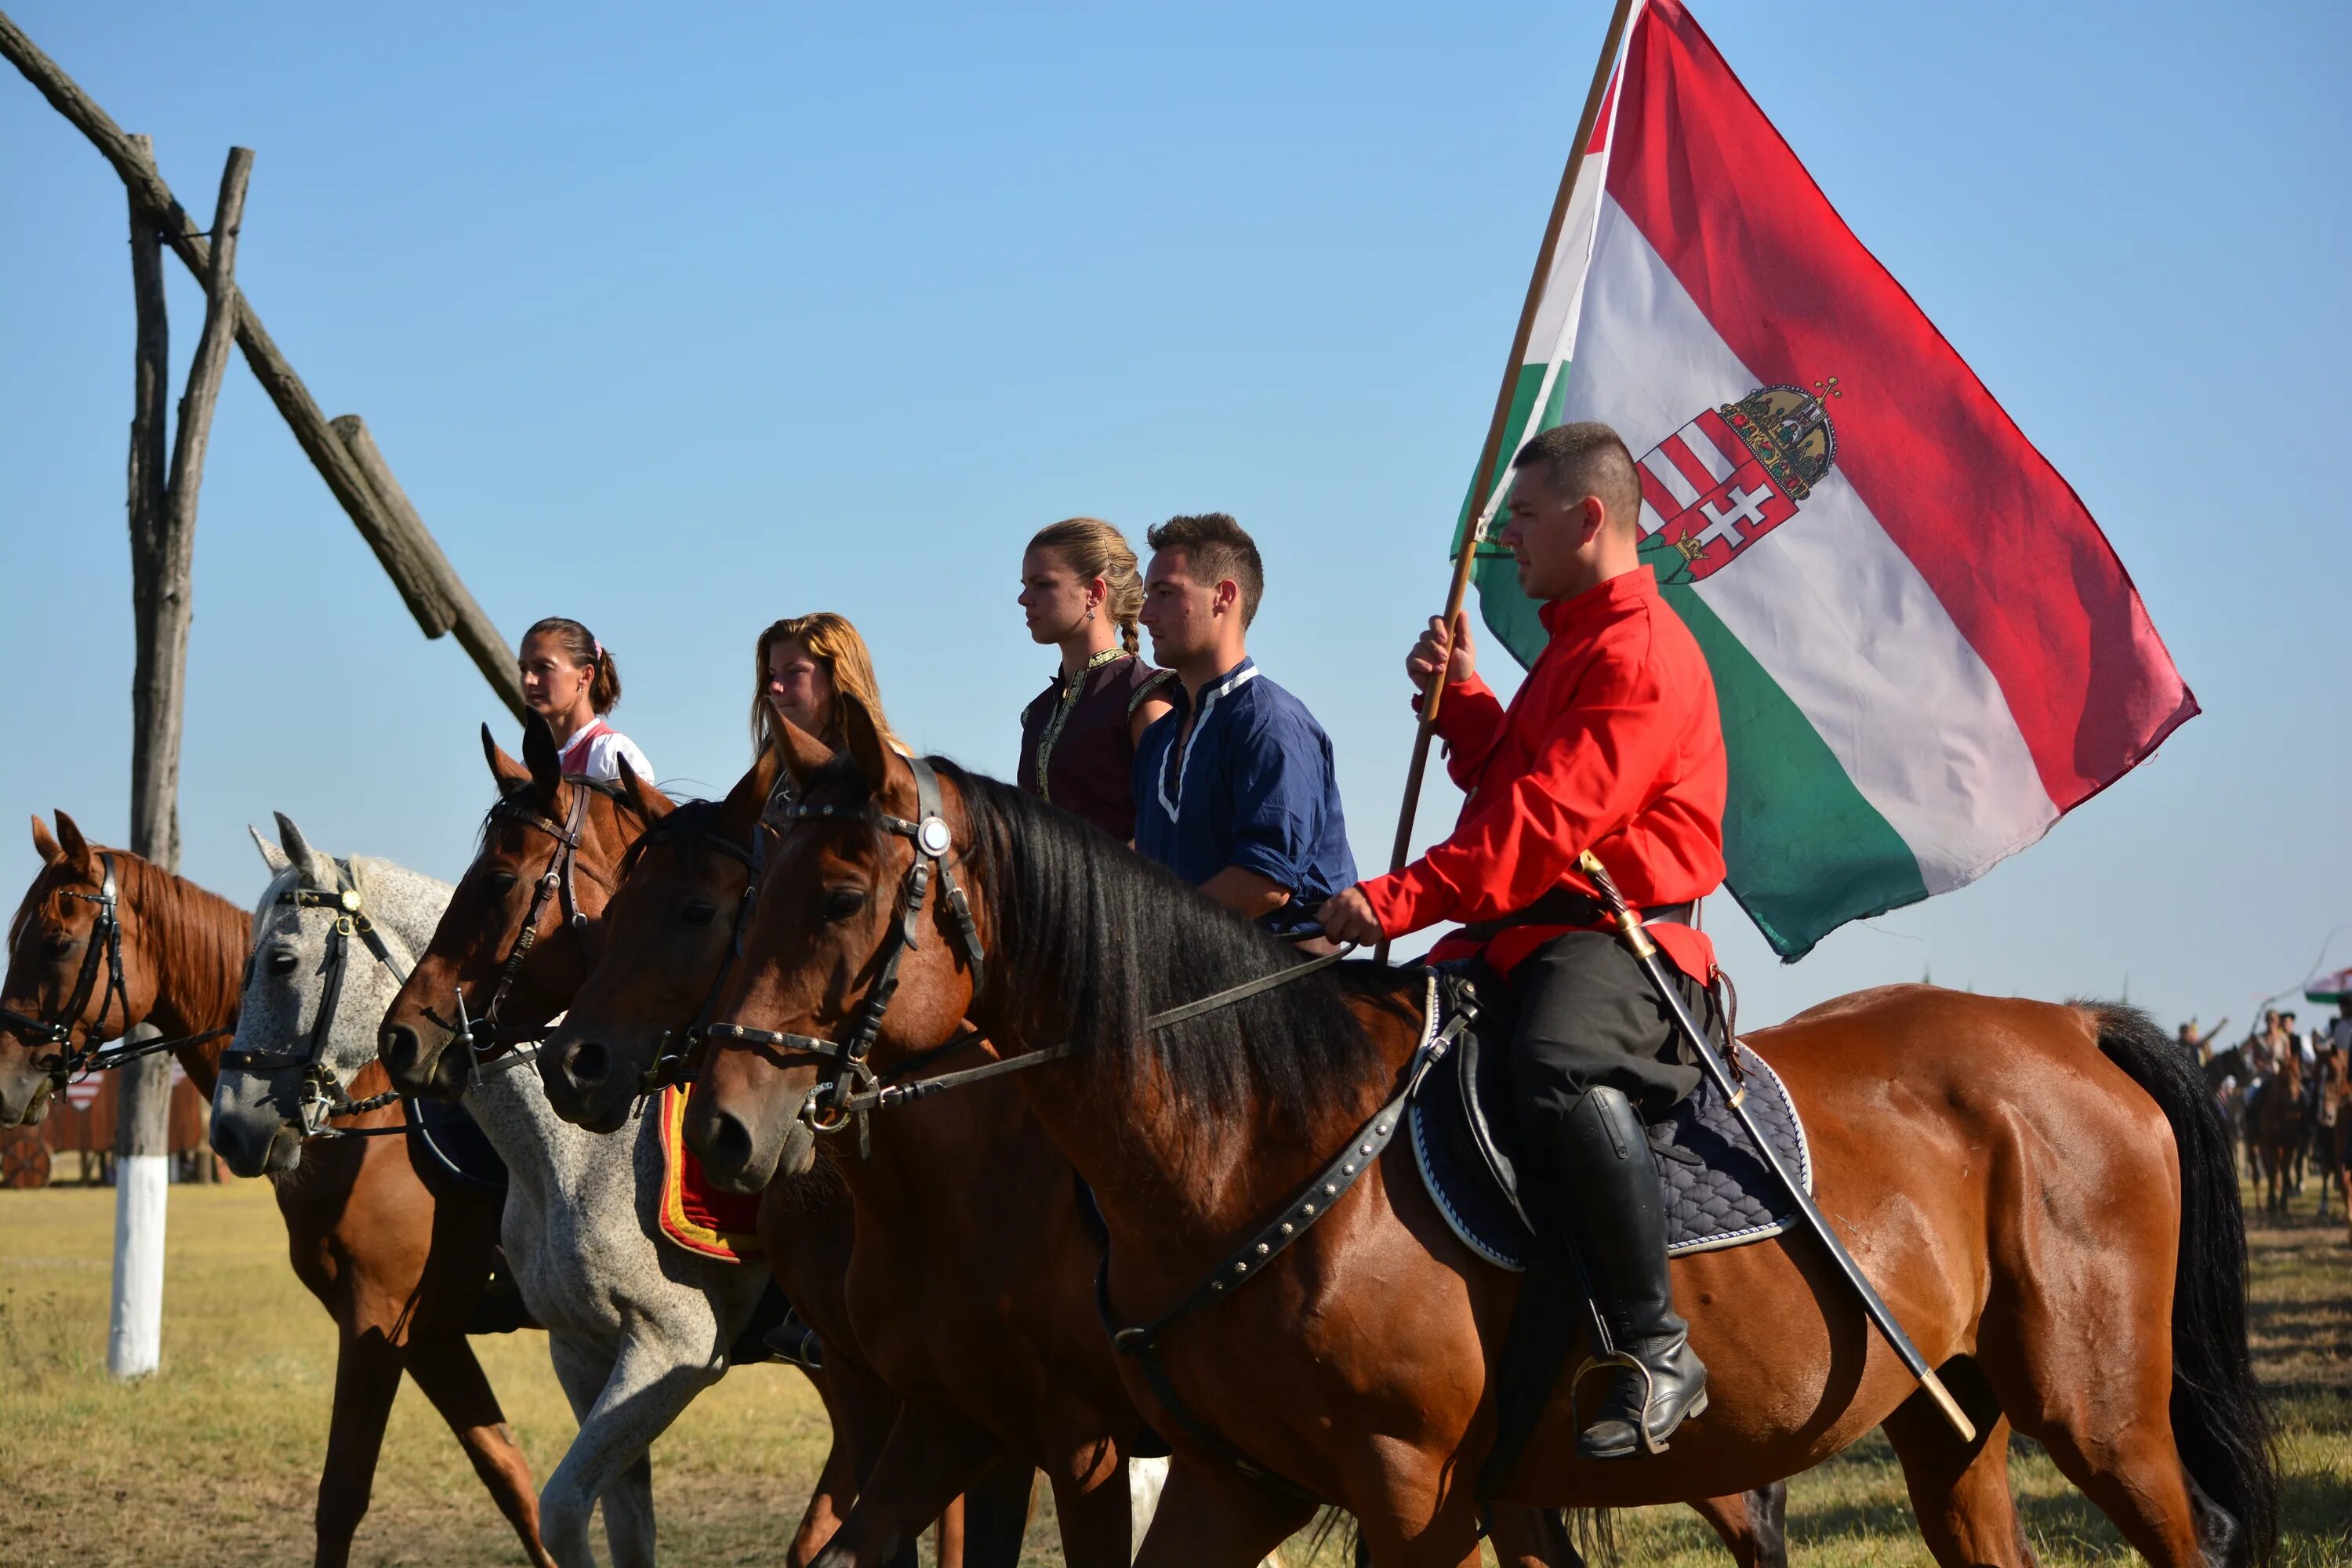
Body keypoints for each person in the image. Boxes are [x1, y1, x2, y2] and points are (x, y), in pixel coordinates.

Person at [1317, 422, 1726, 1461]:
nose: (1508, 546)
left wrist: (1398, 900)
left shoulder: (1638, 651)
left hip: (1616, 943)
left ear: (1591, 518)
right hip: (1521, 935)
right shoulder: (1575, 642)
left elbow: (1545, 828)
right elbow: (1514, 780)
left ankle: (1655, 1341)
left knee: (1552, 1066)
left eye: (1526, 521)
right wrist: (1463, 705)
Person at [1132, 513, 1355, 934]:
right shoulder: (1158, 739)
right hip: (1190, 978)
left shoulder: (1271, 723)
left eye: (1164, 593)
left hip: (1285, 979)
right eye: (1148, 594)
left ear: (1223, 596)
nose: (1145, 613)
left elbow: (1267, 880)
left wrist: (1157, 934)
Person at [1014, 517, 1176, 840]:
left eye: (1042, 584)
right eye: (1024, 585)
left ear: (1094, 592)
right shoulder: (1038, 713)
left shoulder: (1145, 697)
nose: (1024, 599)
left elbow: (1169, 830)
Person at [751, 612, 904, 781]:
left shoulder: (886, 765)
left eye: (793, 671)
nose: (774, 686)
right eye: (773, 674)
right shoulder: (771, 777)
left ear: (836, 677)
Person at [517, 617, 652, 783]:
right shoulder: (529, 767)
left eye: (543, 667)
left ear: (585, 675)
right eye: (523, 669)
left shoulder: (611, 754)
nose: (528, 680)